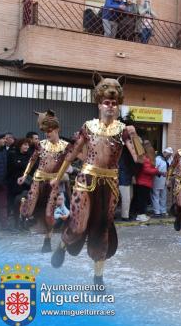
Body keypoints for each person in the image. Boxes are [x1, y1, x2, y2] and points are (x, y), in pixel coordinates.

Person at [49, 73, 144, 285]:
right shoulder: (88, 126)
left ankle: (98, 276)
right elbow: (71, 153)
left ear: (118, 106)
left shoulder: (123, 130)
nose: (110, 106)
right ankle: (63, 244)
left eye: (114, 103)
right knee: (79, 224)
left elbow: (139, 158)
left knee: (102, 228)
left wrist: (135, 135)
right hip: (85, 180)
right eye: (106, 102)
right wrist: (57, 177)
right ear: (99, 104)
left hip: (109, 184)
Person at [19, 110, 70, 252]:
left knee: (49, 214)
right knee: (28, 212)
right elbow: (32, 159)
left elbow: (69, 163)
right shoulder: (41, 144)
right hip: (38, 180)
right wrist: (24, 175)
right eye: (46, 131)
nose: (47, 133)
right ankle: (24, 207)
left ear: (57, 130)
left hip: (53, 183)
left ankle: (47, 241)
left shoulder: (66, 146)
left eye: (50, 130)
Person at [6, 138, 32, 229]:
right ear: (20, 145)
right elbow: (11, 167)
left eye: (28, 145)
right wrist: (23, 164)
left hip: (26, 184)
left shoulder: (29, 156)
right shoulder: (12, 154)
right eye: (25, 145)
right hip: (13, 184)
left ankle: (24, 223)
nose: (27, 147)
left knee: (24, 202)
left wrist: (21, 164)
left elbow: (31, 168)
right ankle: (15, 223)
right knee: (14, 203)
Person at [132, 140, 158, 222]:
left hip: (145, 182)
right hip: (143, 182)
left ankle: (141, 214)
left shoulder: (146, 157)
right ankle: (140, 215)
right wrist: (156, 170)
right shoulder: (145, 158)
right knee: (142, 200)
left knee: (143, 199)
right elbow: (147, 170)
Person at [152, 147, 173, 218]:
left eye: (170, 155)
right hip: (157, 179)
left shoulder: (169, 160)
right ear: (164, 153)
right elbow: (154, 169)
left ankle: (163, 211)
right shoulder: (158, 159)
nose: (169, 156)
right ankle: (157, 211)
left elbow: (170, 169)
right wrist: (160, 173)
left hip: (165, 180)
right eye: (168, 154)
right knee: (156, 195)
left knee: (163, 196)